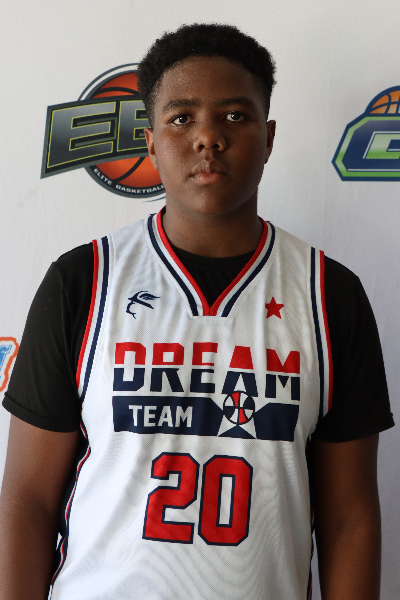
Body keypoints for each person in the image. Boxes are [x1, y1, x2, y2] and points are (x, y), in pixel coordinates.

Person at [0, 23, 394, 600]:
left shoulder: (329, 294)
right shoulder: (84, 281)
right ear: (151, 140)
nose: (208, 137)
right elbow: (28, 501)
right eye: (181, 118)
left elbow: (349, 518)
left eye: (235, 115)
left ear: (269, 137)